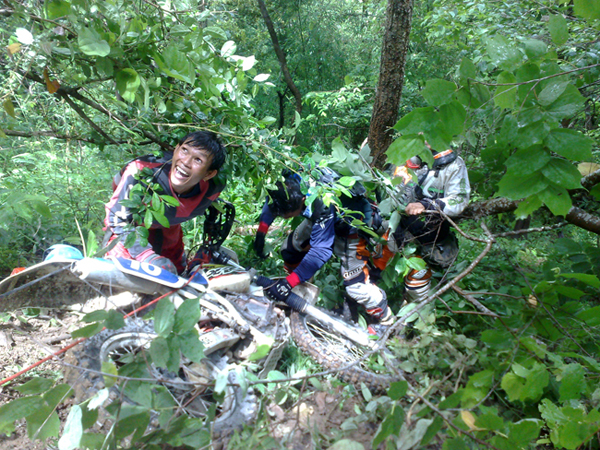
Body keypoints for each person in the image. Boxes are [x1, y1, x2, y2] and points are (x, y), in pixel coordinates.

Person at [254, 168, 395, 329]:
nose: (282, 216)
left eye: (286, 214)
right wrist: (261, 231)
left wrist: (288, 282)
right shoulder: (291, 175)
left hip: (351, 226)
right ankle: (301, 291)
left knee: (356, 287)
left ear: (302, 201)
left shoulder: (322, 202)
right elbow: (273, 202)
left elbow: (320, 251)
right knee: (289, 251)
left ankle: (385, 321)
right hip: (321, 218)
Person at [103, 130, 227, 274]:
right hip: (132, 222)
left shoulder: (213, 188)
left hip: (168, 225)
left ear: (209, 174)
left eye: (198, 160)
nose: (186, 162)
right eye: (184, 150)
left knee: (176, 270)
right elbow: (117, 219)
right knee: (121, 265)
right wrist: (146, 256)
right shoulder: (142, 171)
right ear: (175, 150)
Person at [391, 141, 470, 302]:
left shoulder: (453, 164)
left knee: (417, 283)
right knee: (378, 264)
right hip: (398, 229)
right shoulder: (402, 154)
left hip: (431, 234)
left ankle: (419, 310)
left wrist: (428, 205)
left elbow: (460, 198)